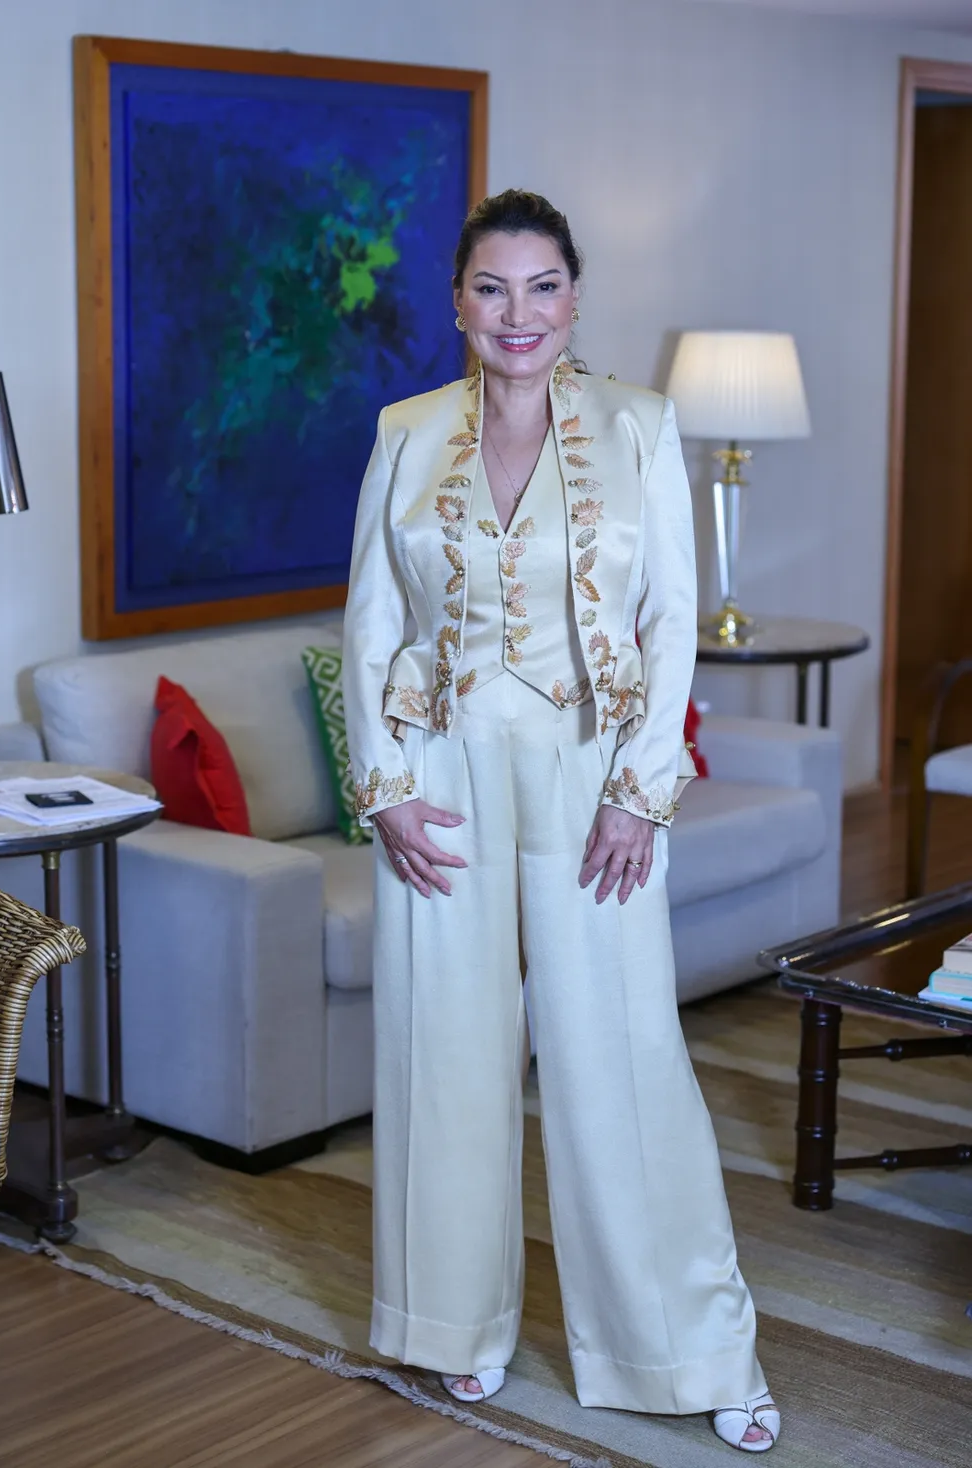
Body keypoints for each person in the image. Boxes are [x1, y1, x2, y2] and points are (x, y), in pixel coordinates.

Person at [341, 189, 781, 1453]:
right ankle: (446, 1326)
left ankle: (690, 1347)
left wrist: (645, 792)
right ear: (459, 302)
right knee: (444, 1051)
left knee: (624, 1060)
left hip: (594, 774)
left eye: (541, 287)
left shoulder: (642, 426)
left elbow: (668, 625)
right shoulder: (406, 431)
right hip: (443, 770)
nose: (516, 313)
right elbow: (371, 623)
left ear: (574, 296)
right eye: (491, 288)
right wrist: (384, 791)